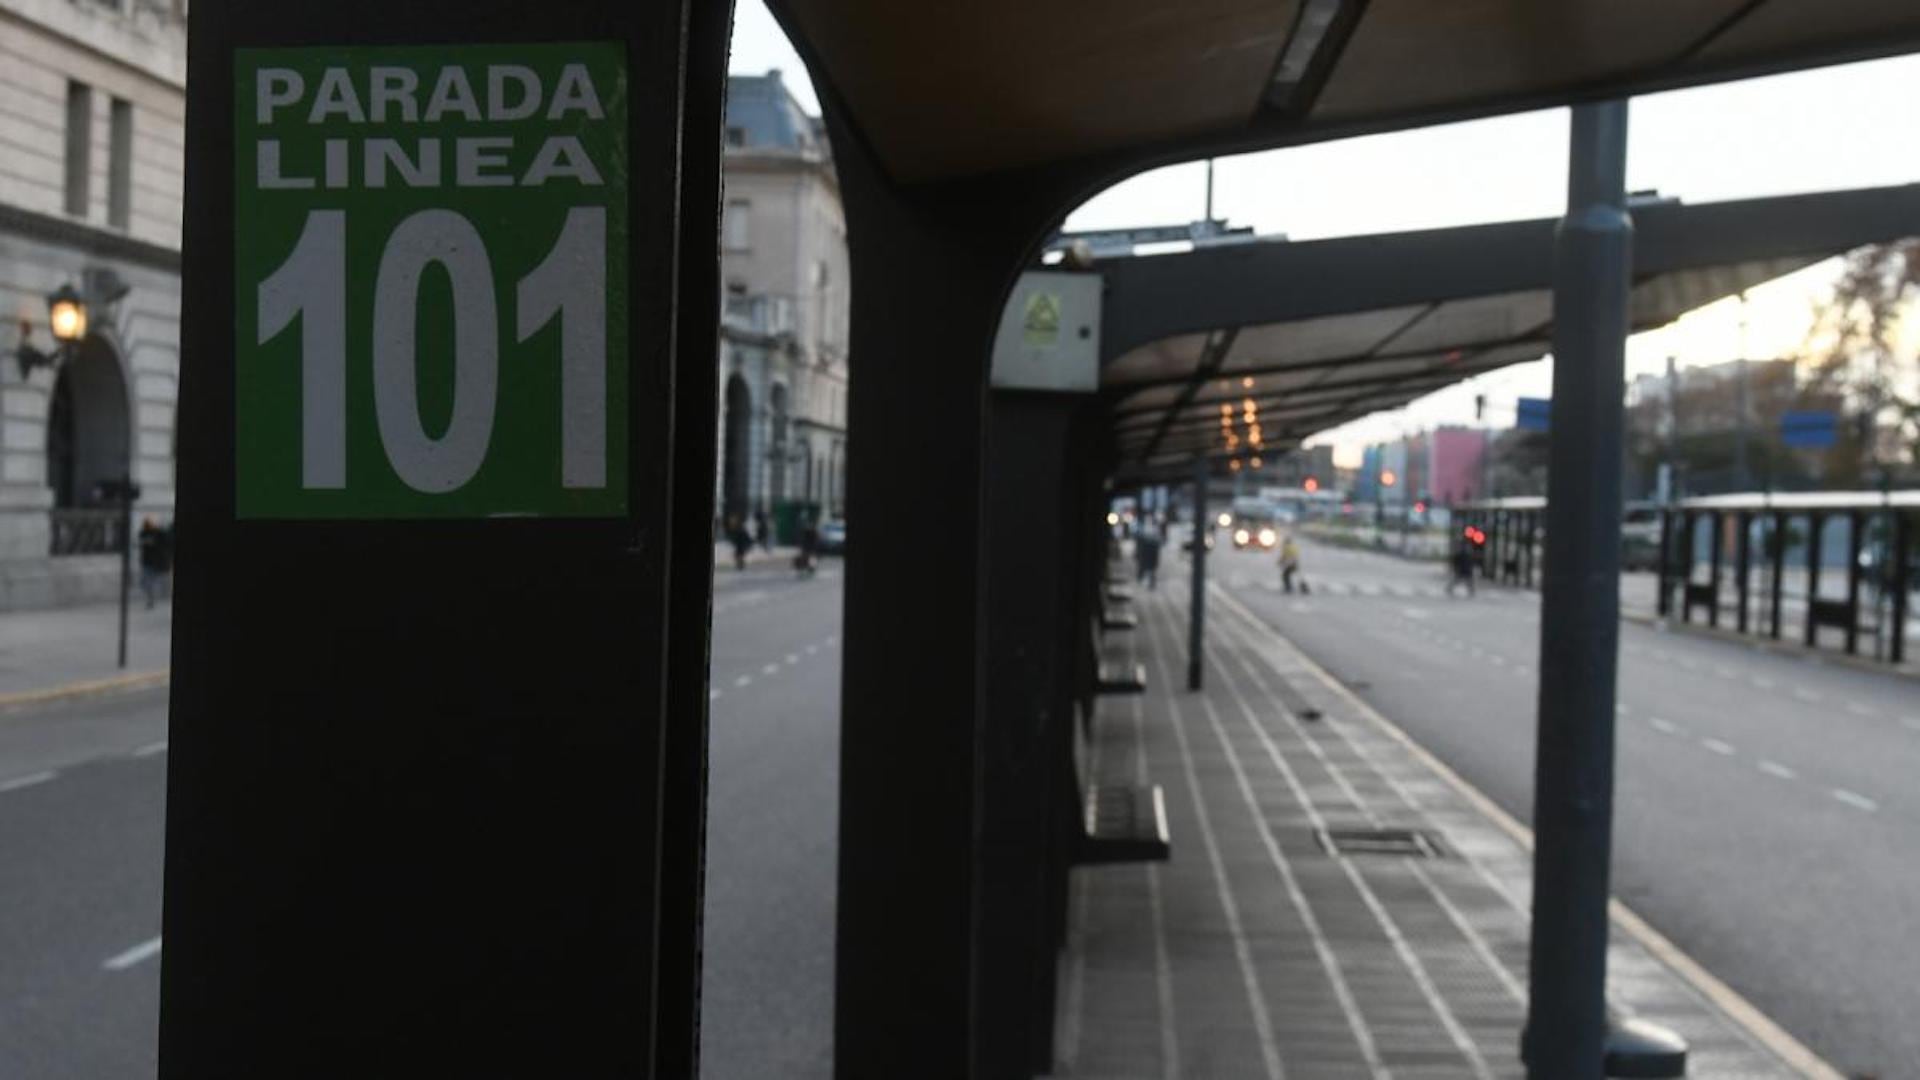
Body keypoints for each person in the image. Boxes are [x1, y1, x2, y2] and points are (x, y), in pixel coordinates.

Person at [137, 517, 173, 609]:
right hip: (146, 562)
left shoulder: (158, 533)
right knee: (144, 583)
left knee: (150, 582)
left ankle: (151, 599)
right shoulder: (144, 533)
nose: (148, 525)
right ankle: (152, 597)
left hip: (153, 563)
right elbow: (142, 541)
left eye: (149, 524)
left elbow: (165, 541)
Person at [1135, 525, 1162, 590]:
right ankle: (1146, 581)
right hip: (1148, 555)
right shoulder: (1146, 538)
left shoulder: (1151, 539)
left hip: (1149, 555)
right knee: (1149, 570)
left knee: (1150, 570)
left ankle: (1148, 582)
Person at [795, 512, 820, 578]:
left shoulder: (811, 530)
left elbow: (815, 539)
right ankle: (805, 569)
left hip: (810, 547)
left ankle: (810, 569)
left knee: (811, 558)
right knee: (806, 558)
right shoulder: (808, 530)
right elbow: (802, 538)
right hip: (808, 546)